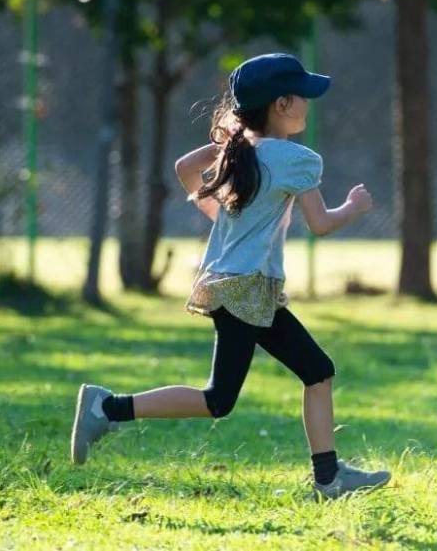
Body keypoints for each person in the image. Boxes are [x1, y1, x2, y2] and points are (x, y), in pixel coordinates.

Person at [70, 52, 391, 500]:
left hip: (235, 285)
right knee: (219, 399)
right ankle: (107, 408)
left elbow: (185, 168)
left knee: (317, 371)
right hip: (248, 288)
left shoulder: (239, 150)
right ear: (281, 104)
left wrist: (214, 210)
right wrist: (354, 208)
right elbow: (320, 223)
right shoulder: (297, 159)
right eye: (302, 96)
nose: (308, 104)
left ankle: (328, 477)